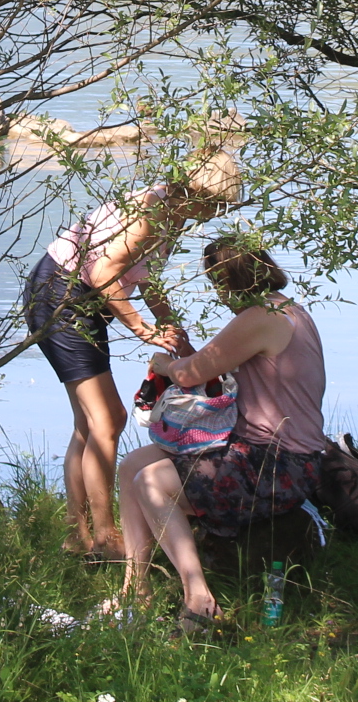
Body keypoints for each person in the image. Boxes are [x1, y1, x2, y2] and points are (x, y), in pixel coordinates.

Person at [24, 148, 245, 560]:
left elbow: (145, 279)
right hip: (61, 293)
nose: (215, 213)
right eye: (214, 203)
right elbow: (104, 273)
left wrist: (182, 343)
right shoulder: (151, 213)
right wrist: (143, 329)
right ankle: (106, 539)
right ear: (195, 190)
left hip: (80, 296)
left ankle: (77, 536)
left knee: (92, 423)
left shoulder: (172, 215)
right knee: (108, 420)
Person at [110, 234, 327, 630]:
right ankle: (134, 588)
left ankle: (199, 599)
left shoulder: (260, 317)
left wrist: (163, 364)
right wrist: (187, 354)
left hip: (282, 463)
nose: (217, 294)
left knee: (151, 482)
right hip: (255, 447)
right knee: (132, 466)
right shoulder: (285, 310)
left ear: (228, 280)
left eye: (216, 284)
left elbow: (193, 373)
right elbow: (209, 364)